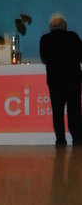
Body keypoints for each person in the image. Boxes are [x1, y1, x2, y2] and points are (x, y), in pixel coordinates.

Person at [39, 14, 82, 146]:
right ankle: (77, 139)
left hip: (55, 81)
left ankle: (60, 140)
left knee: (57, 112)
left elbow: (43, 58)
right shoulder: (73, 36)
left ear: (51, 27)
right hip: (73, 80)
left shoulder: (45, 39)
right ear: (64, 26)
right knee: (74, 110)